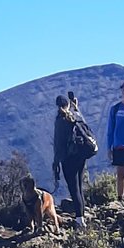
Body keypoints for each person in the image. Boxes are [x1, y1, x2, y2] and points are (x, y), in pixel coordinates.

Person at [52, 91, 92, 226]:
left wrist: (56, 162)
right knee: (79, 186)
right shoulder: (75, 115)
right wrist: (76, 107)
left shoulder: (60, 121)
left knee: (73, 188)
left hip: (68, 159)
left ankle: (79, 220)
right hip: (80, 156)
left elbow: (58, 144)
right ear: (68, 104)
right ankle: (82, 216)